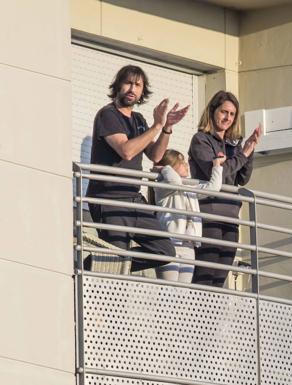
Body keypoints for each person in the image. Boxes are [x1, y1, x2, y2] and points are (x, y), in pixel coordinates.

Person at [86, 64, 189, 271]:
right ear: (118, 86)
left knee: (164, 251)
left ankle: (99, 264)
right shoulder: (108, 114)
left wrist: (166, 128)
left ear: (143, 91)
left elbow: (156, 156)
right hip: (109, 198)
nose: (132, 89)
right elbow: (127, 151)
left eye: (138, 85)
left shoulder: (139, 120)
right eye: (128, 83)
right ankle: (95, 265)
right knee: (114, 260)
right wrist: (157, 126)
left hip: (133, 198)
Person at [188, 90, 261, 286]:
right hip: (209, 215)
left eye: (231, 114)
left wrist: (249, 149)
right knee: (205, 274)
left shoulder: (232, 145)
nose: (227, 118)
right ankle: (197, 316)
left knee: (221, 277)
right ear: (213, 111)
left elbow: (242, 178)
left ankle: (214, 317)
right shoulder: (200, 140)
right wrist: (243, 154)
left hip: (230, 216)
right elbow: (219, 173)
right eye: (224, 112)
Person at [152, 149, 225, 283]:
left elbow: (214, 187)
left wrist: (217, 165)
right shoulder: (162, 186)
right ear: (171, 166)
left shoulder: (189, 187)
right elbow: (174, 182)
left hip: (188, 246)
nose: (186, 165)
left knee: (183, 294)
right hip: (170, 243)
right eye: (181, 162)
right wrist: (164, 168)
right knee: (168, 291)